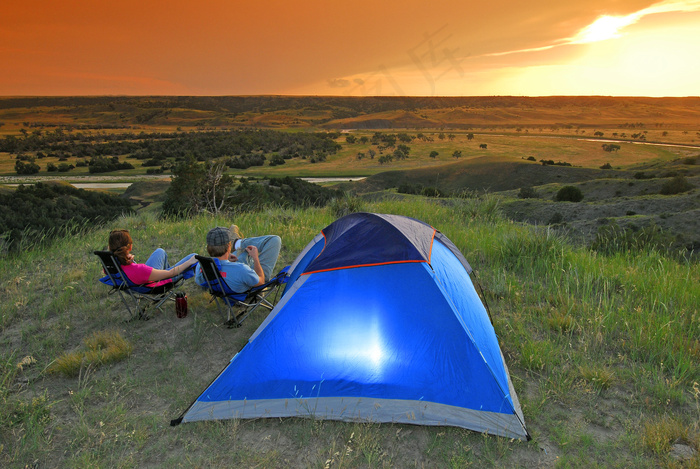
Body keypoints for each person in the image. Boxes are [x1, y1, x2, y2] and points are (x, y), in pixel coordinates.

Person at [196, 225, 281, 293]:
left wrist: (227, 260)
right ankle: (238, 243)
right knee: (275, 240)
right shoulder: (241, 269)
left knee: (244, 252)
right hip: (250, 284)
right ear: (228, 247)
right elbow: (261, 281)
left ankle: (238, 243)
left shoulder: (202, 265)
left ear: (208, 248)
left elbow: (199, 281)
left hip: (225, 285)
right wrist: (255, 258)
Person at [108, 229, 198, 287]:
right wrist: (189, 262)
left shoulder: (110, 264)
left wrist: (128, 260)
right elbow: (170, 273)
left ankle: (162, 274)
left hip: (135, 282)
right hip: (153, 284)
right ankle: (168, 284)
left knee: (160, 251)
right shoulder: (140, 270)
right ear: (130, 247)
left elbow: (131, 270)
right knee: (193, 256)